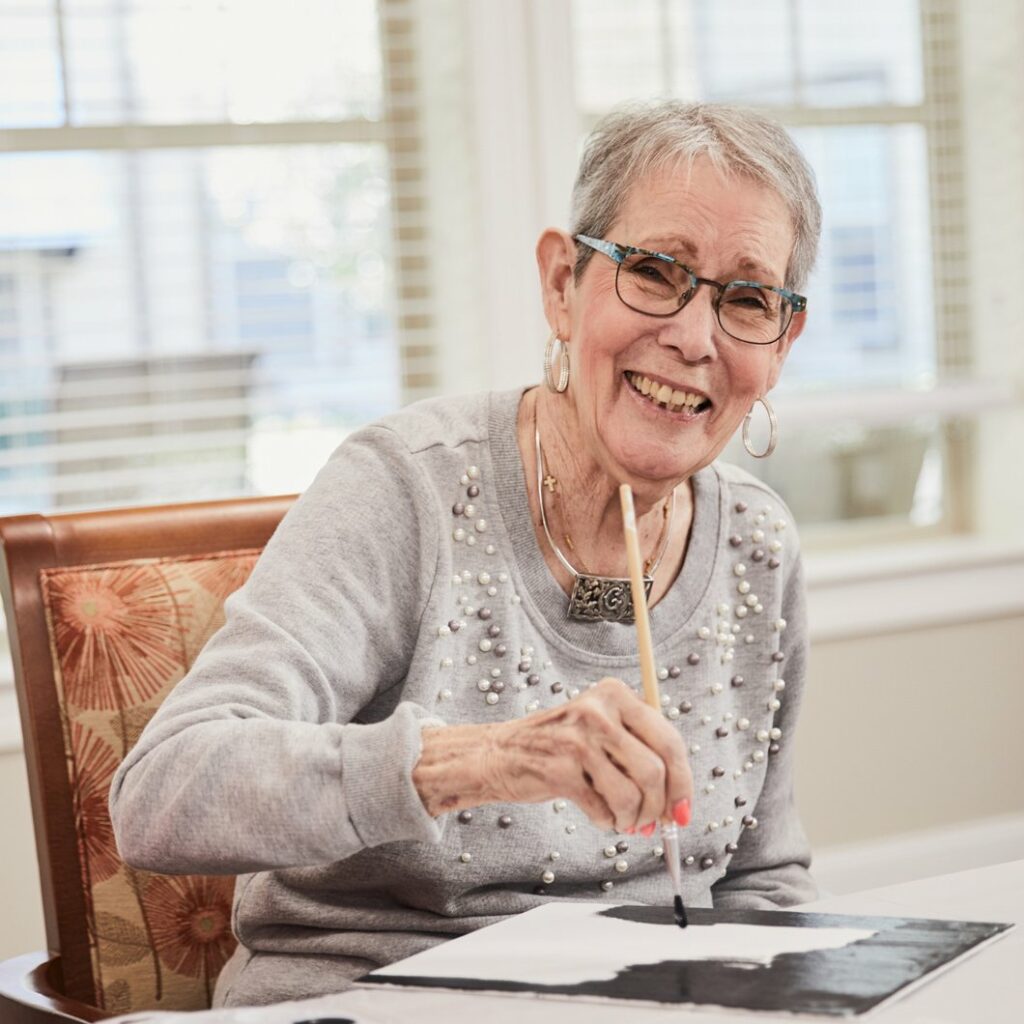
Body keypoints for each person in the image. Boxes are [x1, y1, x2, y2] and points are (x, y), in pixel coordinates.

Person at [110, 99, 821, 1008]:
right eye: (654, 272)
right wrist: (483, 761)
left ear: (783, 341)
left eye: (747, 299)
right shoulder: (405, 489)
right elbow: (164, 795)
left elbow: (763, 879)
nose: (694, 338)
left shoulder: (757, 544)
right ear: (562, 283)